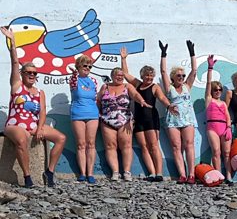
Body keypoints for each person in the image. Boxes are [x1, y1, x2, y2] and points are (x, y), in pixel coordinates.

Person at [1, 26, 66, 187]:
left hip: (32, 124)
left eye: (34, 73)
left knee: (61, 138)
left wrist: (40, 127)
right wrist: (12, 41)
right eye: (28, 72)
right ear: (22, 74)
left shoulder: (39, 92)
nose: (31, 75)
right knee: (22, 140)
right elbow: (15, 62)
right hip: (15, 124)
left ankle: (49, 172)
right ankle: (27, 176)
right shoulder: (17, 86)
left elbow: (42, 111)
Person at [121, 47, 177, 182]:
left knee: (153, 146)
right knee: (144, 146)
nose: (149, 78)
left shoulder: (155, 87)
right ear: (142, 76)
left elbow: (162, 98)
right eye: (147, 75)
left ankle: (159, 173)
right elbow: (125, 74)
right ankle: (151, 173)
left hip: (151, 119)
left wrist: (169, 106)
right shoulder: (138, 85)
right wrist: (123, 59)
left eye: (151, 76)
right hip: (139, 119)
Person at [98, 66, 152, 182]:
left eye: (122, 76)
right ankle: (115, 172)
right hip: (107, 119)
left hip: (124, 119)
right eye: (118, 75)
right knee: (110, 146)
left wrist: (142, 101)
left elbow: (135, 95)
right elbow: (98, 101)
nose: (120, 77)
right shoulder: (105, 87)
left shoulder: (127, 86)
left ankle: (127, 172)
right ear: (112, 76)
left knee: (126, 146)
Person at [159, 40, 198, 184]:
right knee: (176, 147)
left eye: (183, 75)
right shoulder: (170, 88)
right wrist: (163, 55)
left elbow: (194, 71)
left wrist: (192, 53)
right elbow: (163, 71)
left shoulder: (187, 86)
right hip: (173, 119)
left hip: (187, 118)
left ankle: (191, 174)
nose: (181, 78)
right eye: (179, 76)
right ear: (173, 77)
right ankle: (182, 174)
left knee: (189, 144)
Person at [69, 54, 99, 184]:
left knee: (91, 143)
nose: (87, 68)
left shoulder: (94, 80)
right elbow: (73, 75)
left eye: (89, 66)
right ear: (79, 66)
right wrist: (75, 71)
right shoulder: (74, 79)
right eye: (84, 65)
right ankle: (82, 173)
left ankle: (90, 173)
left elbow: (95, 97)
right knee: (81, 144)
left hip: (92, 113)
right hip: (78, 113)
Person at [204, 55, 233, 185]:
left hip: (224, 128)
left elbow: (228, 117)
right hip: (212, 127)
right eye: (216, 89)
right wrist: (210, 68)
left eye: (220, 90)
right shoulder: (209, 100)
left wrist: (229, 128)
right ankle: (218, 174)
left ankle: (228, 175)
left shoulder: (223, 103)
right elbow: (208, 84)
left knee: (226, 153)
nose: (218, 91)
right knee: (216, 151)